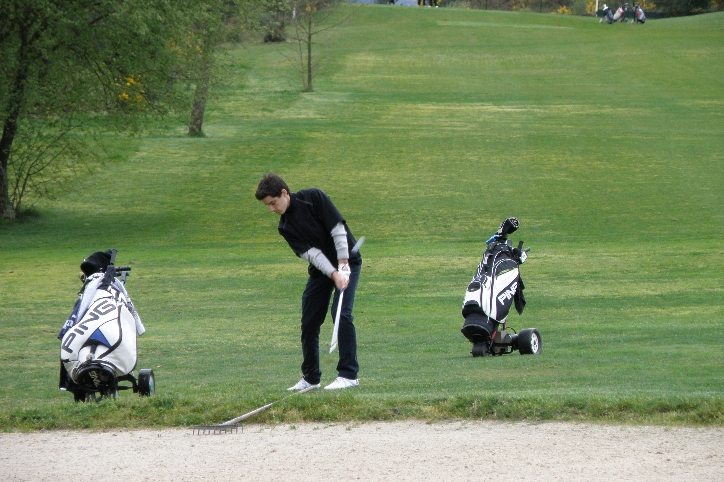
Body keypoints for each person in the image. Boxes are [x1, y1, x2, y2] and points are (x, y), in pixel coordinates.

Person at [255, 173, 362, 390]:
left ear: (284, 193)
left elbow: (338, 230)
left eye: (273, 203)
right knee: (310, 320)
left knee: (341, 313)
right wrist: (333, 274)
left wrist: (342, 264)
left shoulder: (314, 197)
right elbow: (313, 254)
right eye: (268, 206)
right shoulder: (285, 227)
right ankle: (311, 378)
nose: (272, 210)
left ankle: (349, 375)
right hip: (322, 270)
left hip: (347, 260)